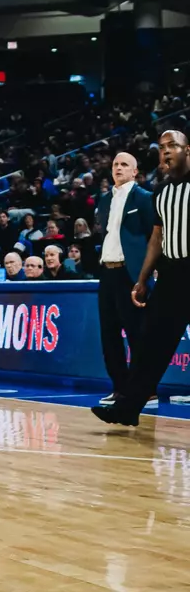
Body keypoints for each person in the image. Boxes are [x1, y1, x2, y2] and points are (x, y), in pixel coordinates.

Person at [93, 131, 190, 426]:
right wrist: (143, 277)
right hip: (173, 272)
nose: (166, 151)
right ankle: (128, 406)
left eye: (173, 145)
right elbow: (157, 238)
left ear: (187, 149)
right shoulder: (161, 191)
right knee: (150, 341)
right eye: (161, 147)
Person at [93, 151, 155, 406]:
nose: (118, 168)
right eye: (115, 164)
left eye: (124, 165)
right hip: (107, 272)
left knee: (136, 333)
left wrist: (148, 273)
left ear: (135, 172)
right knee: (108, 334)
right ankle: (120, 387)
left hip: (131, 274)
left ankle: (146, 390)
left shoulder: (144, 198)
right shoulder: (105, 199)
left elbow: (154, 237)